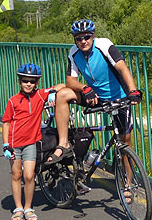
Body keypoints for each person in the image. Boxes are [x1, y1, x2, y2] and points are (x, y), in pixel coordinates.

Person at [50, 19, 142, 164]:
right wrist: (85, 88)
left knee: (125, 142)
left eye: (87, 37)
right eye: (79, 38)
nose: (83, 41)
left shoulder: (104, 45)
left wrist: (133, 91)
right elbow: (70, 81)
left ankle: (128, 185)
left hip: (119, 98)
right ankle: (63, 144)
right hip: (95, 97)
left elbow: (122, 68)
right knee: (62, 94)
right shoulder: (73, 53)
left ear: (93, 36)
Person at [2, 64, 64, 220]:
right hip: (14, 144)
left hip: (30, 143)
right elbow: (6, 123)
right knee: (17, 174)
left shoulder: (40, 96)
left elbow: (62, 85)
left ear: (37, 82)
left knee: (29, 176)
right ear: (19, 82)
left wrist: (52, 93)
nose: (28, 84)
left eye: (32, 81)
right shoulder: (13, 101)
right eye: (25, 81)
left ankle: (28, 208)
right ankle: (18, 208)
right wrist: (5, 144)